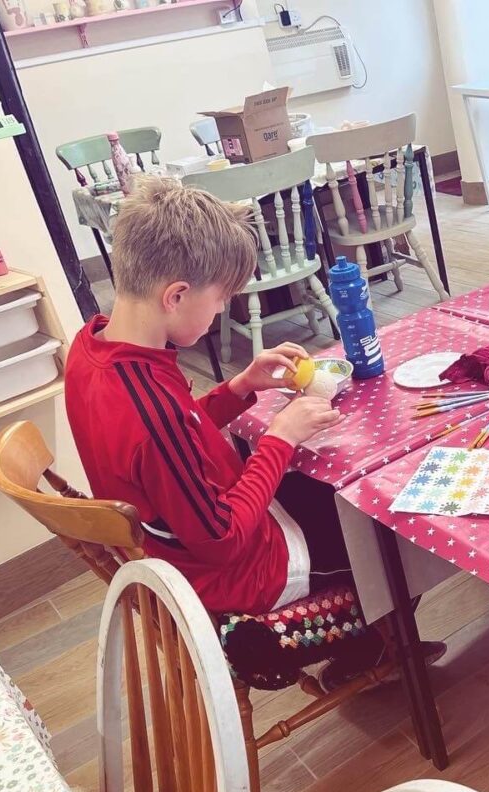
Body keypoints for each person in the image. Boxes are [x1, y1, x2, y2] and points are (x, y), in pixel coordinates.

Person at [65, 178, 440, 691]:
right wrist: (278, 438)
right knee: (388, 527)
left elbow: (176, 436)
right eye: (221, 299)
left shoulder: (95, 349)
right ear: (175, 295)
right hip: (237, 567)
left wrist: (239, 387)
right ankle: (330, 639)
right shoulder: (148, 413)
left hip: (193, 532)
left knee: (335, 490)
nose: (222, 311)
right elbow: (220, 539)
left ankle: (359, 640)